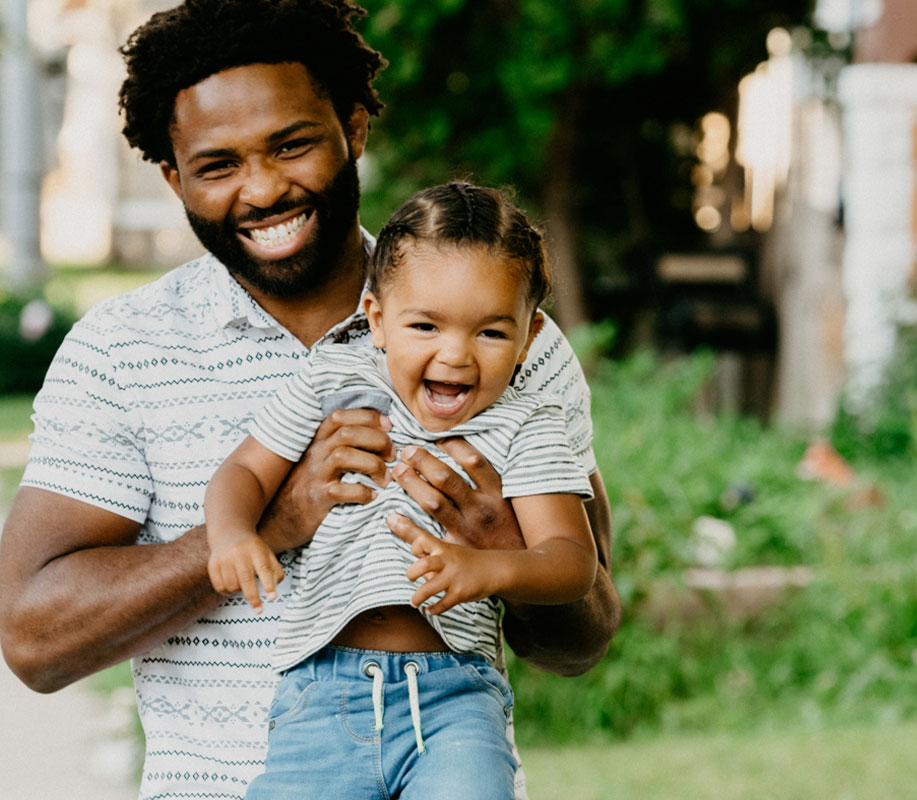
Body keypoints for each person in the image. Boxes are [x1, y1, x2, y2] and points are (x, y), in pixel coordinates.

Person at [0, 2, 619, 799]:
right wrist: (276, 519)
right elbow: (33, 636)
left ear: (353, 129)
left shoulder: (504, 343)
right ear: (173, 176)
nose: (262, 190)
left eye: (291, 145)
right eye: (217, 166)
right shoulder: (122, 351)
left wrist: (499, 542)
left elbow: (586, 634)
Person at [206, 182, 597, 798]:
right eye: (425, 325)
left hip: (456, 701)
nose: (456, 355)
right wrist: (232, 534)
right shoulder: (333, 378)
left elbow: (572, 563)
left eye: (492, 333)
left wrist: (487, 568)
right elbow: (246, 471)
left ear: (529, 337)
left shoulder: (528, 423)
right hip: (320, 695)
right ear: (378, 321)